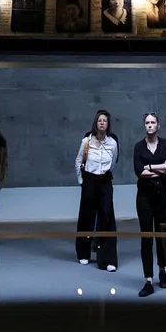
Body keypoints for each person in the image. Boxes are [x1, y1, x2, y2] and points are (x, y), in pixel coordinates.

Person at [133, 113, 166, 298]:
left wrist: (149, 167)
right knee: (147, 237)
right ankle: (148, 279)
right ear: (145, 126)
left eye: (153, 123)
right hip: (144, 198)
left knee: (161, 235)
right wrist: (159, 168)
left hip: (163, 196)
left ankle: (162, 271)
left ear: (158, 125)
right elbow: (139, 172)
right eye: (147, 123)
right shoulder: (138, 147)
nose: (150, 125)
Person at [75, 110, 118, 271]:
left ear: (108, 124)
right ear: (95, 123)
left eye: (104, 121)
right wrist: (81, 181)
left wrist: (104, 174)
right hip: (89, 181)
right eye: (99, 120)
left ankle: (108, 259)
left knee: (107, 217)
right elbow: (78, 160)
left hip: (105, 181)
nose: (102, 123)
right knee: (86, 216)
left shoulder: (112, 143)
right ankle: (83, 253)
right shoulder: (87, 141)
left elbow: (113, 163)